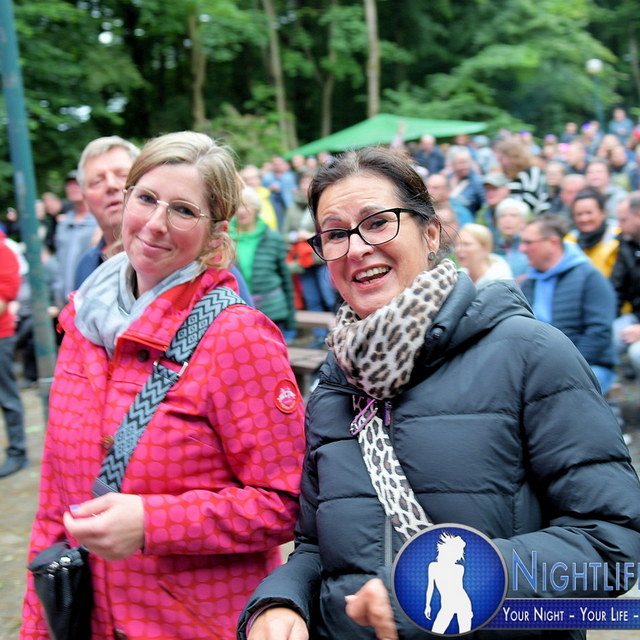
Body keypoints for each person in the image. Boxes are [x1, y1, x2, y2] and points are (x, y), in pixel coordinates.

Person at [238, 147, 640, 640]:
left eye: (377, 223)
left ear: (430, 233)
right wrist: (282, 599)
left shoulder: (531, 354)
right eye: (335, 233)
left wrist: (435, 593)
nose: (357, 247)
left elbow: (612, 544)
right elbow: (316, 547)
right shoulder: (335, 386)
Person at [21, 131, 306, 640]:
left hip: (196, 624)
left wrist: (154, 522)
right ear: (126, 199)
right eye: (147, 198)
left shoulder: (238, 337)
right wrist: (37, 628)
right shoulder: (82, 324)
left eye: (183, 210)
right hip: (89, 621)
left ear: (216, 234)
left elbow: (288, 500)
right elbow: (53, 508)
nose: (155, 223)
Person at [520, 214, 617, 395]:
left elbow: (599, 332)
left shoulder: (590, 278)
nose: (522, 248)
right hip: (539, 367)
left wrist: (564, 366)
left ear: (553, 242)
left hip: (587, 366)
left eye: (528, 242)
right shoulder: (530, 283)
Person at [73, 136, 141, 288]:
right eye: (97, 181)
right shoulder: (86, 268)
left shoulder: (171, 255)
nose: (111, 185)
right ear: (85, 200)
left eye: (122, 175)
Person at [231, 186, 297, 340]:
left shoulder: (272, 238)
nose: (242, 211)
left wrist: (291, 320)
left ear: (256, 209)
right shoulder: (224, 239)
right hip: (238, 315)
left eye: (247, 206)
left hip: (272, 312)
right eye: (237, 207)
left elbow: (286, 279)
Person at [0, 229, 28, 478]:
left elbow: (4, 300)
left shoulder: (3, 251)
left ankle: (18, 452)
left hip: (1, 335)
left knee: (7, 397)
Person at [51, 170, 98, 308]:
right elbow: (59, 259)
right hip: (65, 298)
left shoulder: (99, 221)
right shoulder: (63, 223)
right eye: (69, 184)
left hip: (91, 298)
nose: (73, 188)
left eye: (77, 184)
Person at [611, 192, 640, 379]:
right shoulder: (627, 244)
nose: (619, 225)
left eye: (623, 219)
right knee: (610, 335)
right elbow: (616, 289)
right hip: (636, 316)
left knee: (637, 353)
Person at [565, 187, 619, 277]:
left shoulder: (618, 237)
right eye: (579, 214)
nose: (584, 219)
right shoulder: (569, 242)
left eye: (589, 213)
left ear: (603, 213)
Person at [494, 136, 549, 215]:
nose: (501, 163)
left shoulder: (531, 171)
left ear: (513, 157)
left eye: (502, 159)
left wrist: (515, 213)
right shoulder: (510, 175)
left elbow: (532, 197)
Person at [493, 197, 530, 283]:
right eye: (503, 216)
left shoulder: (530, 247)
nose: (507, 220)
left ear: (524, 221)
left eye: (513, 216)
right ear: (497, 222)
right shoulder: (495, 249)